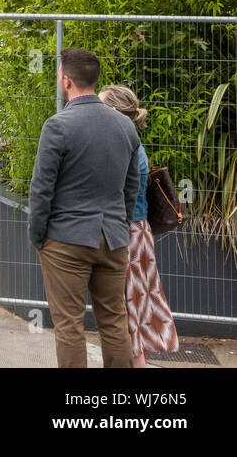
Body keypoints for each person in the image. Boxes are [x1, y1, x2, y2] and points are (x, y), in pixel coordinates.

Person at [28, 48, 140, 368]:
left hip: (65, 240)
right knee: (114, 322)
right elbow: (131, 187)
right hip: (114, 239)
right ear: (94, 79)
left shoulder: (58, 125)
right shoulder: (125, 127)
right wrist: (122, 226)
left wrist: (39, 238)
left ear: (66, 81)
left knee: (69, 326)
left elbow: (41, 190)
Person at [99, 84, 180, 367]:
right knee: (130, 300)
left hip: (129, 232)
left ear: (113, 112)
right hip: (137, 230)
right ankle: (138, 361)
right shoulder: (133, 143)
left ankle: (138, 364)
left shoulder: (126, 146)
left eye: (100, 107)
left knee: (127, 301)